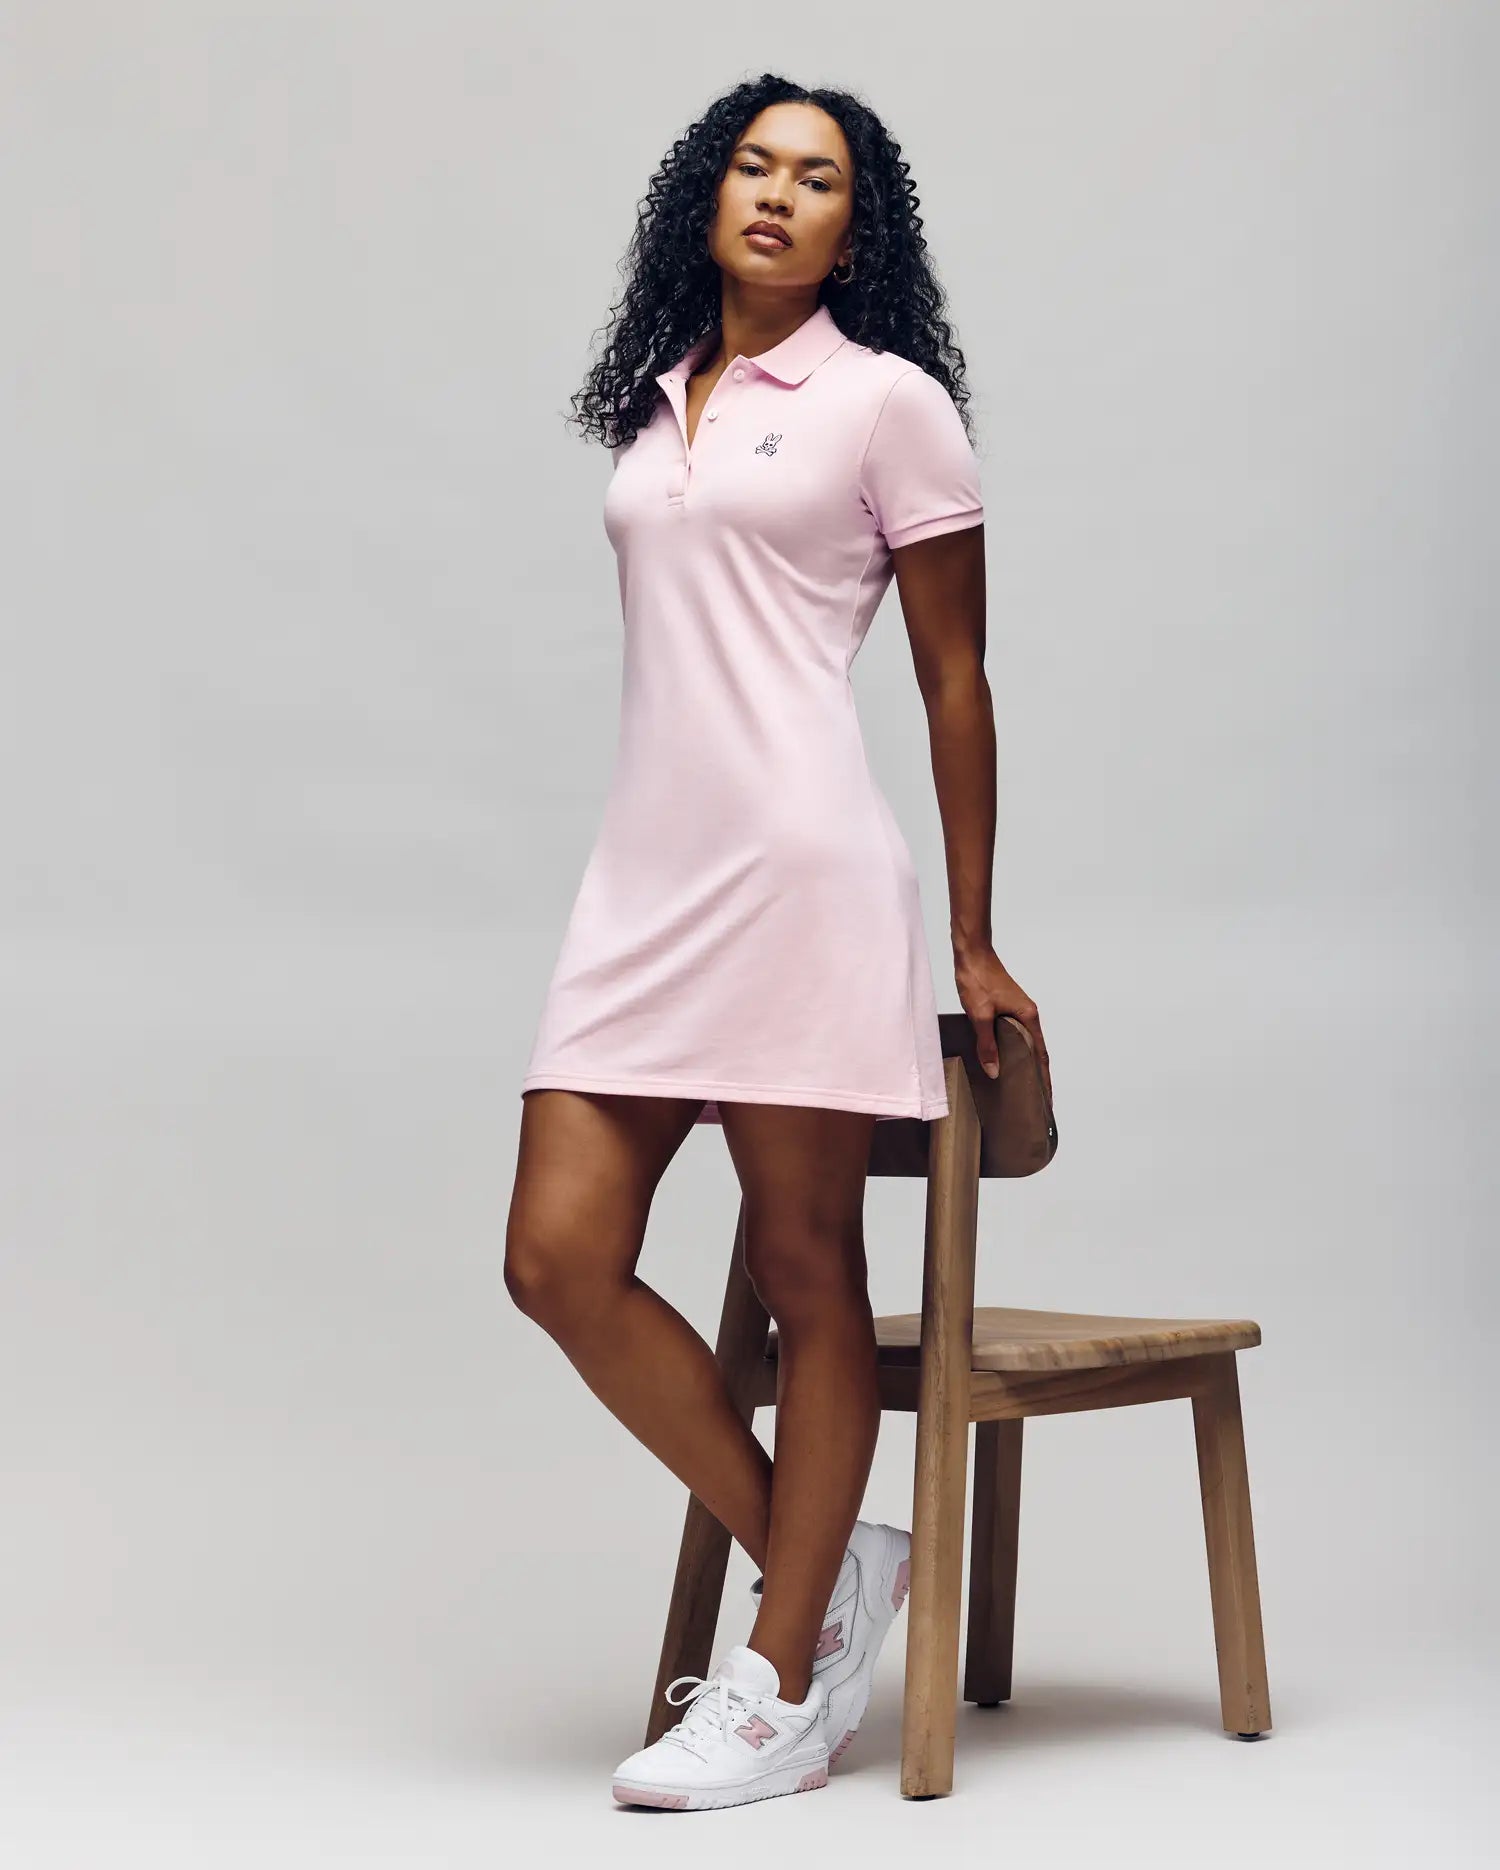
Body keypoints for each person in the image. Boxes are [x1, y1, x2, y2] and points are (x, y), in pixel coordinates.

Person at [505, 74, 1051, 1813]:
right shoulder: (659, 393)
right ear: (708, 194)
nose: (778, 193)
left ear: (853, 231)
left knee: (811, 1275)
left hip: (805, 881)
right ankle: (822, 1576)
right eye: (754, 164)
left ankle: (775, 1682)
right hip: (641, 888)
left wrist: (971, 933)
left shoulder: (889, 404)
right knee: (555, 1258)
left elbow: (955, 681)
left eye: (819, 179)